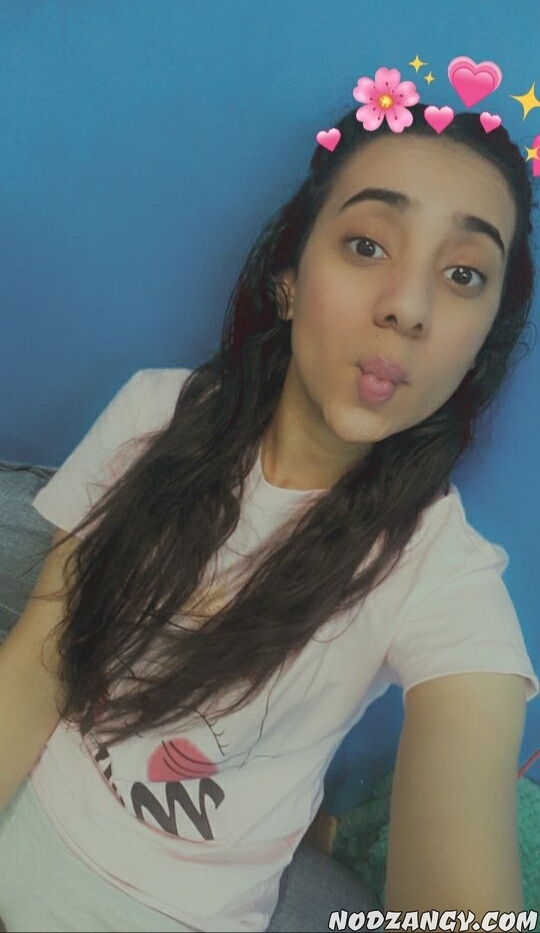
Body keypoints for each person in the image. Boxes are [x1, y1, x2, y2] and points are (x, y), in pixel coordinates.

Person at [0, 98, 538, 933]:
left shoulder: (444, 577)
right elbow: (39, 660)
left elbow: (458, 898)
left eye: (463, 273)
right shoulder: (156, 412)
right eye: (368, 245)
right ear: (287, 281)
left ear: (480, 346)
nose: (408, 306)